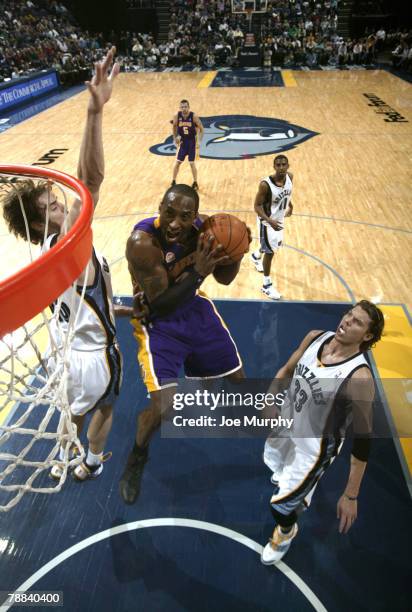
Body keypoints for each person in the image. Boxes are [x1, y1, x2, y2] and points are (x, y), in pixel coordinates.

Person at [2, 47, 125, 482]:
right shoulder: (71, 243)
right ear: (40, 221)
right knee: (106, 404)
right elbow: (90, 181)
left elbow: (82, 302)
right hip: (94, 357)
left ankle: (61, 456)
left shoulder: (44, 254)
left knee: (69, 410)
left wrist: (117, 309)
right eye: (52, 205)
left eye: (57, 198)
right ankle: (89, 463)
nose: (62, 202)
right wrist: (95, 111)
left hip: (64, 352)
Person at [120, 183, 248, 504]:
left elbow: (226, 279)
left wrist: (235, 249)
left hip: (193, 308)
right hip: (157, 322)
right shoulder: (142, 243)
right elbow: (161, 304)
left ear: (194, 216)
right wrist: (198, 272)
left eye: (185, 216)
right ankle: (138, 455)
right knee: (164, 407)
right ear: (160, 208)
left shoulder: (204, 230)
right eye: (169, 213)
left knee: (237, 379)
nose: (176, 222)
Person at [261, 300, 385, 565]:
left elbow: (363, 443)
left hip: (314, 449)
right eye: (349, 314)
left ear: (368, 336)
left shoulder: (359, 378)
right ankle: (295, 482)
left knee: (280, 507)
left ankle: (286, 531)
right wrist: (270, 399)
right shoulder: (316, 337)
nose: (347, 321)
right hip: (288, 423)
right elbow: (287, 369)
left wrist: (350, 495)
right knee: (275, 466)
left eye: (357, 322)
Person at [250, 154, 293, 300]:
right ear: (274, 167)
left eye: (284, 164)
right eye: (278, 165)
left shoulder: (290, 177)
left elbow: (287, 193)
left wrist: (290, 206)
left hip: (279, 220)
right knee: (270, 252)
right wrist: (270, 220)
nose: (281, 167)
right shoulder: (265, 185)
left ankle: (256, 256)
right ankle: (266, 285)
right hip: (266, 222)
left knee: (270, 246)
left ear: (288, 166)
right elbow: (256, 206)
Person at [171, 100, 204, 191]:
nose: (184, 108)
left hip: (192, 142)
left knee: (192, 163)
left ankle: (195, 182)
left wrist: (199, 142)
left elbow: (202, 129)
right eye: (182, 107)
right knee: (177, 162)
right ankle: (173, 181)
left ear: (189, 107)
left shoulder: (194, 116)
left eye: (185, 107)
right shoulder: (177, 116)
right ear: (180, 107)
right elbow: (174, 127)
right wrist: (175, 138)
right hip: (183, 142)